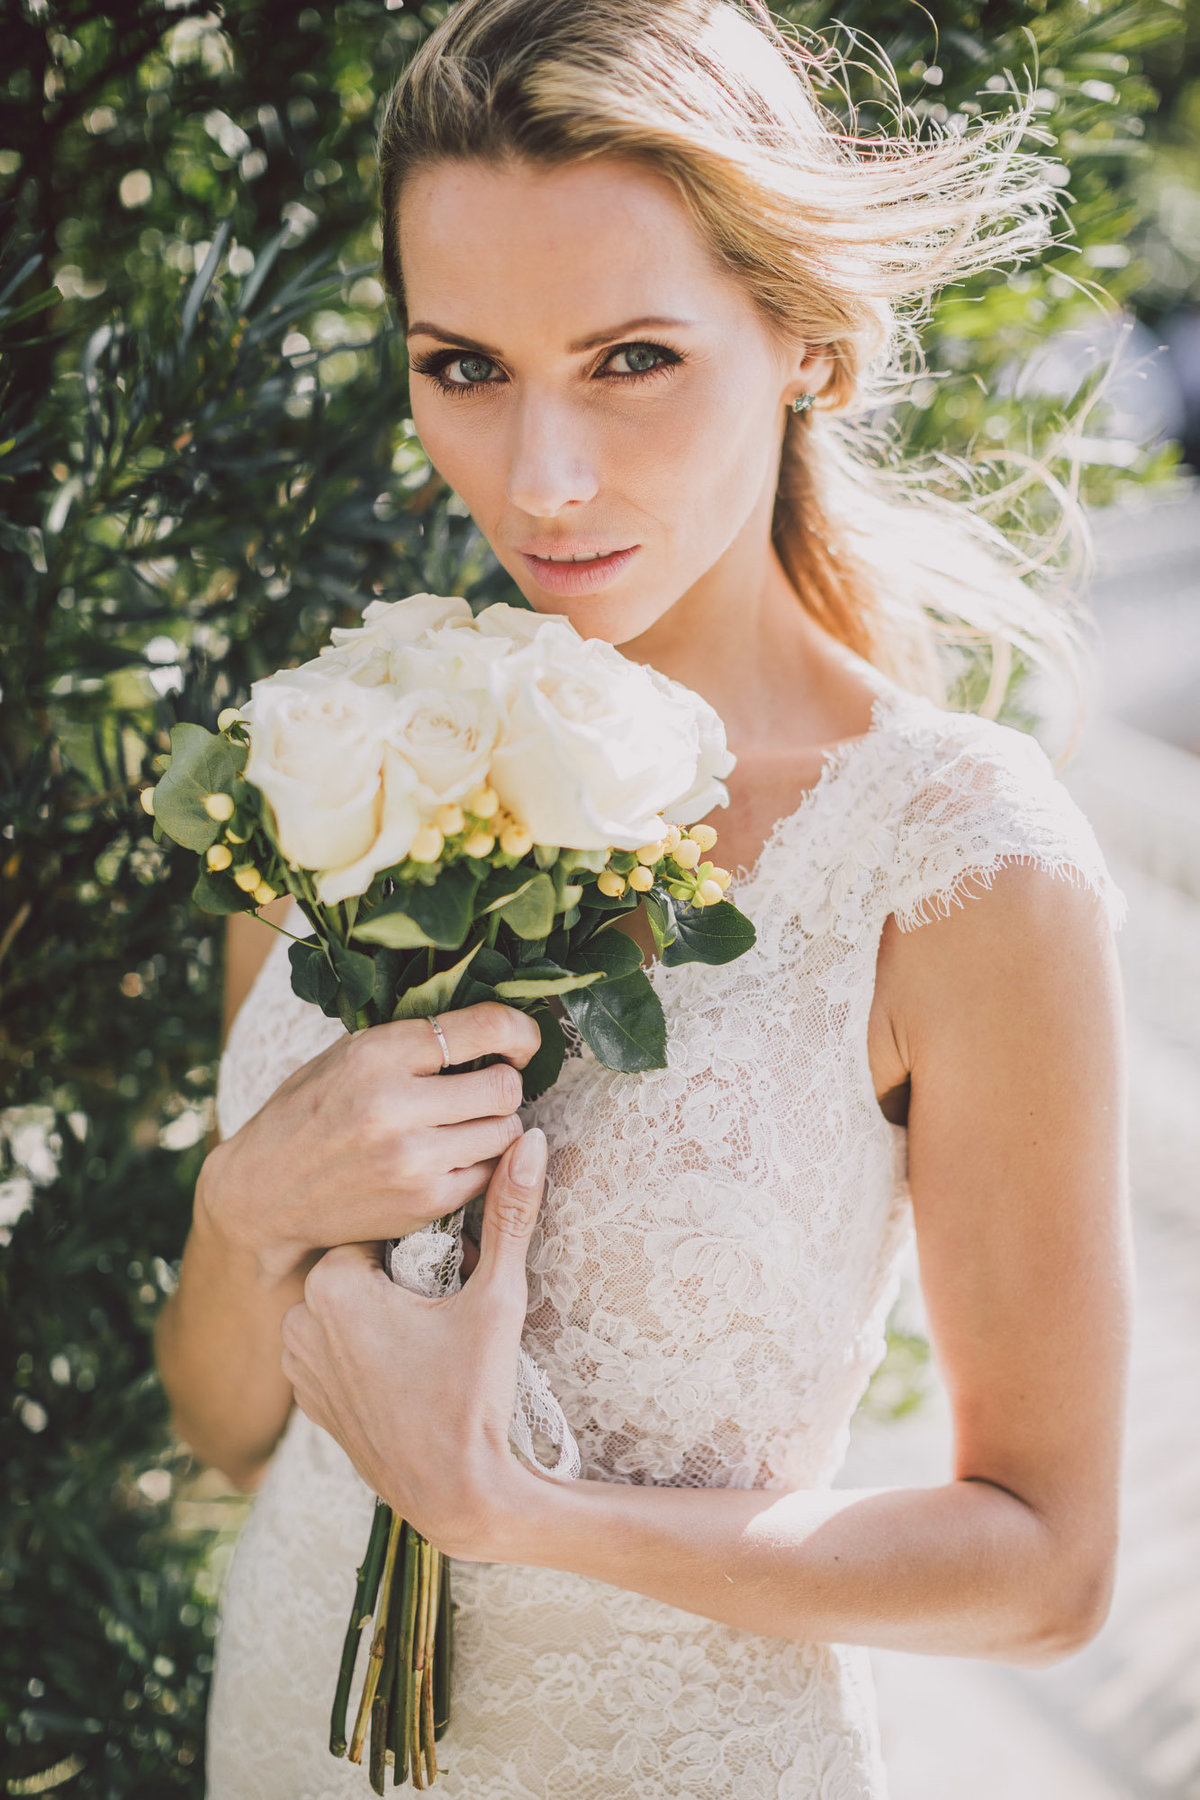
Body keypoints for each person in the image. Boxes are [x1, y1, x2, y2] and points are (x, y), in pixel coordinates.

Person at [153, 1, 1133, 1794]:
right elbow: (233, 1432)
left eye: (630, 360)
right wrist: (247, 1202)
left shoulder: (953, 860)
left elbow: (1049, 1567)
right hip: (281, 1729)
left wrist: (509, 1511)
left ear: (806, 341)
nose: (541, 480)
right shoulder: (336, 760)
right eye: (465, 365)